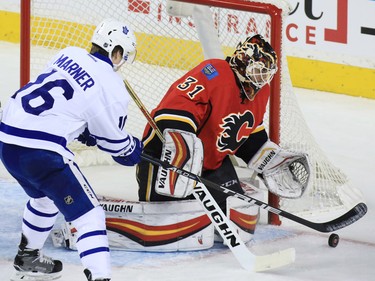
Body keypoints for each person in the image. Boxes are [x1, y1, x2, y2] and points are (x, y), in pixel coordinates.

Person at [0, 18, 143, 281]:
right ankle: (101, 277)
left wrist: (84, 130)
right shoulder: (112, 85)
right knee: (90, 215)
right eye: (123, 55)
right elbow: (116, 146)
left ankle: (28, 257)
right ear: (117, 52)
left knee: (44, 197)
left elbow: (64, 102)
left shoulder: (68, 53)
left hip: (8, 140)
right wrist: (134, 148)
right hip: (41, 152)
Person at [137, 34, 310, 214]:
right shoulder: (215, 71)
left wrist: (267, 159)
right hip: (165, 157)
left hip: (211, 165)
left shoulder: (261, 92)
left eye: (266, 73)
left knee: (233, 211)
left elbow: (247, 133)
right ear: (243, 62)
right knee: (165, 216)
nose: (262, 78)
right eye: (258, 70)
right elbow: (175, 108)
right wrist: (184, 149)